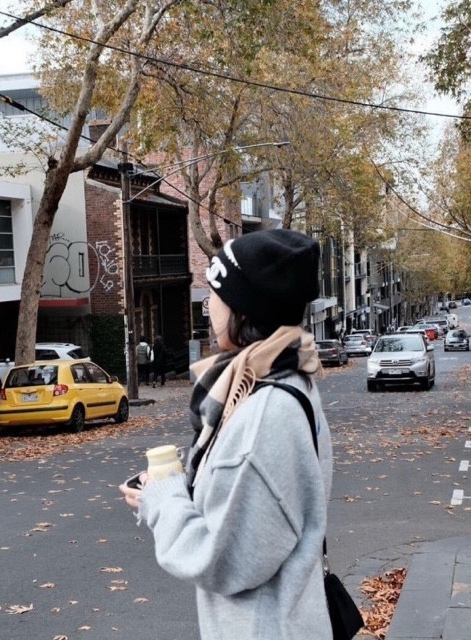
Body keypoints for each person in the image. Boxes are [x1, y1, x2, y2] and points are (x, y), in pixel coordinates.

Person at [119, 229, 333, 639]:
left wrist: (161, 500)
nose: (210, 304)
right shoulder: (289, 379)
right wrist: (168, 490)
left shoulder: (263, 414)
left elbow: (222, 561)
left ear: (243, 309)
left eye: (216, 292)